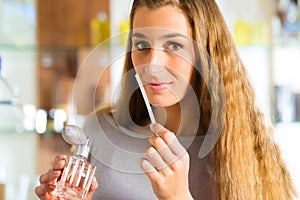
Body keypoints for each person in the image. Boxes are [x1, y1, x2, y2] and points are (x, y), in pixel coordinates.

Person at [35, 0, 297, 199]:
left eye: (174, 45)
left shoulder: (240, 147)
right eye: (141, 46)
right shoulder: (99, 131)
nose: (152, 65)